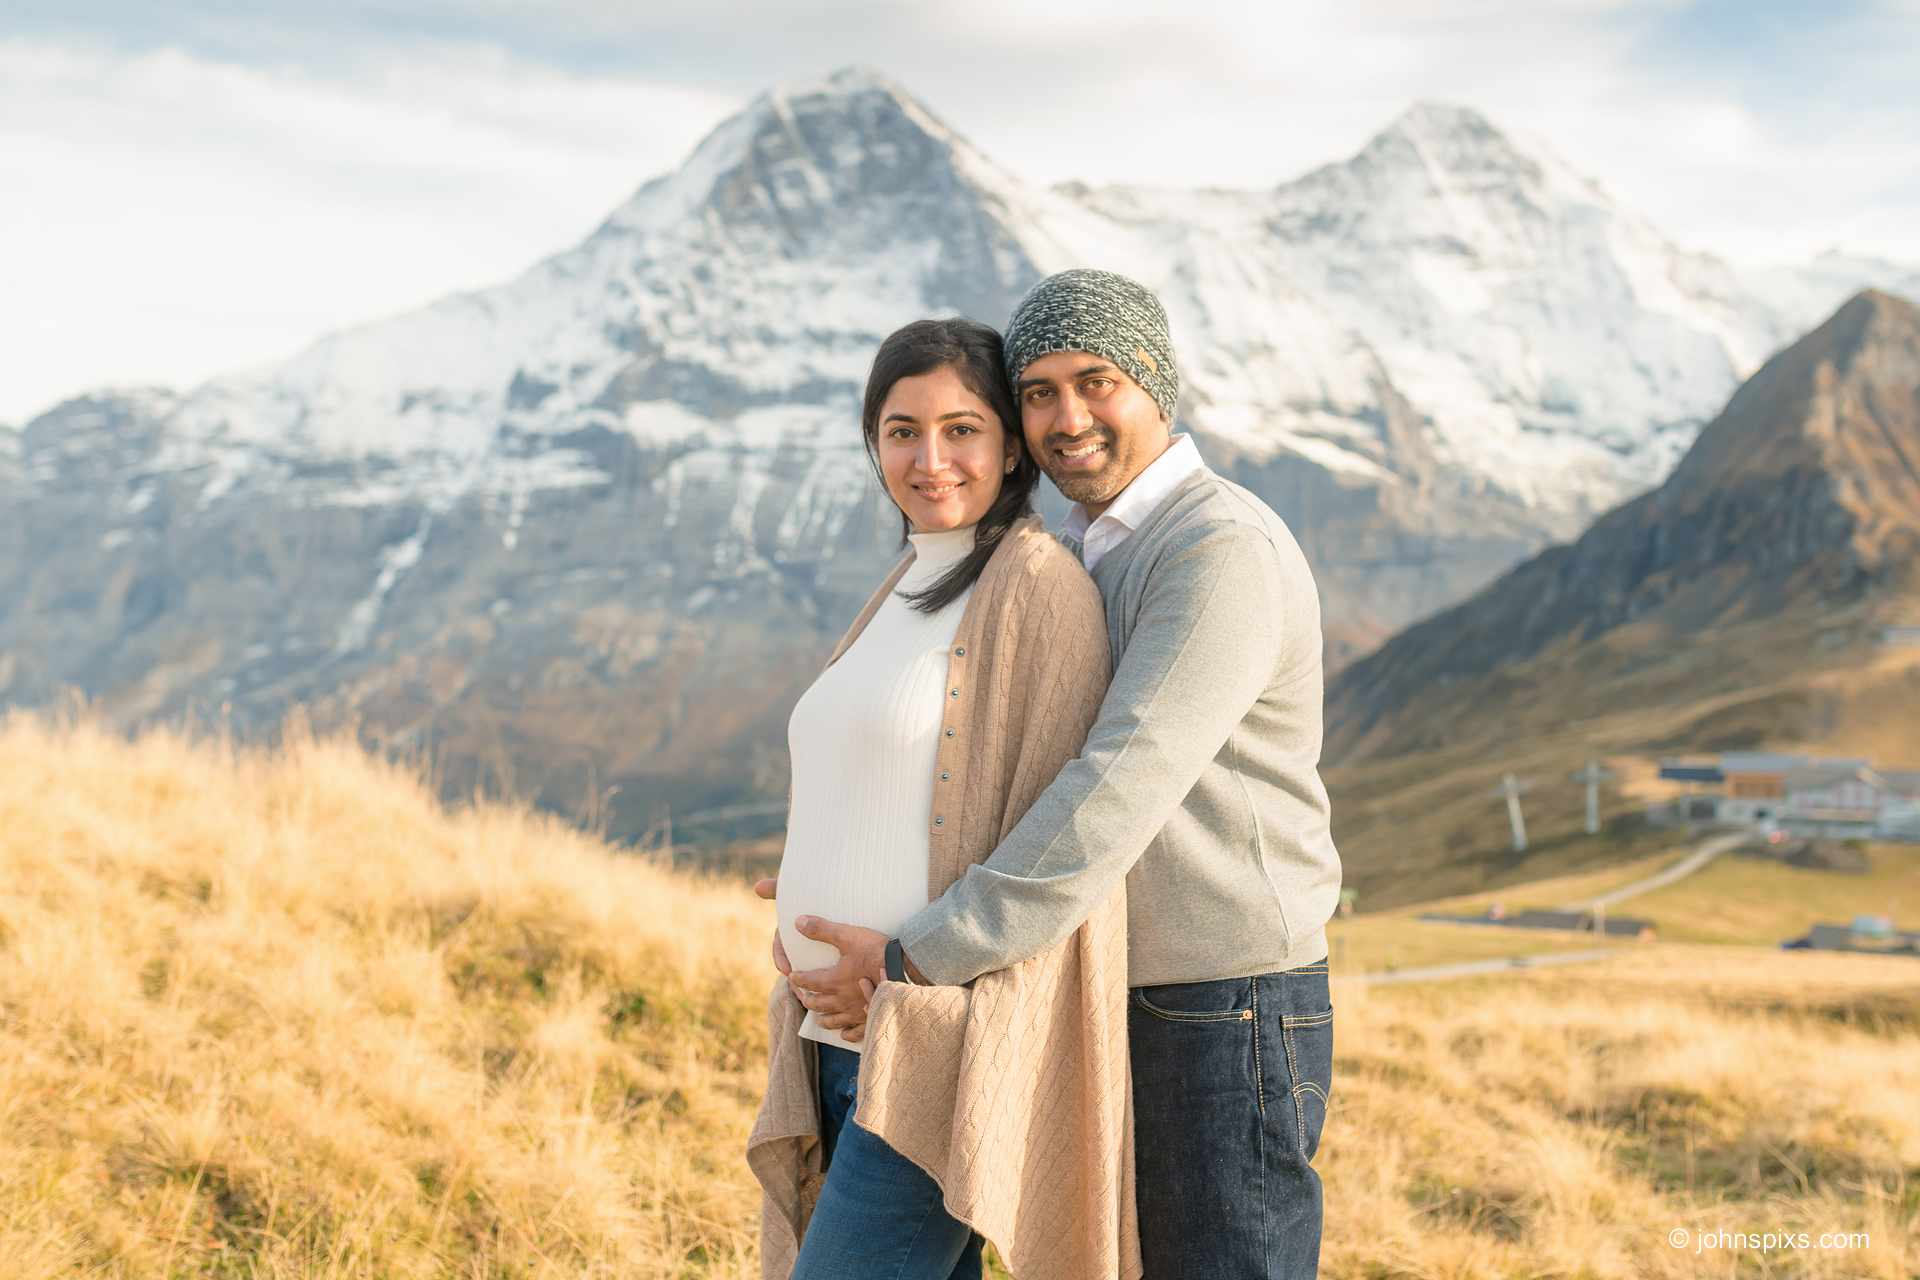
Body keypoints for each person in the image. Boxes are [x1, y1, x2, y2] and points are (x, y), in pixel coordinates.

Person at [786, 270, 1344, 1279]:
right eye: (1039, 391)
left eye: (1097, 382)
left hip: (1223, 999)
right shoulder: (1090, 547)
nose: (1068, 417)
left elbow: (1111, 789)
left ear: (1157, 388)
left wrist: (914, 955)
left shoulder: (1217, 551)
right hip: (1103, 983)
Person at [745, 317, 1141, 1280]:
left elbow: (1051, 846)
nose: (930, 459)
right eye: (900, 429)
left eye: (962, 428)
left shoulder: (1038, 591)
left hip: (934, 1052)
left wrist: (903, 970)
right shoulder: (906, 583)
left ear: (1010, 445)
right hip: (833, 1038)